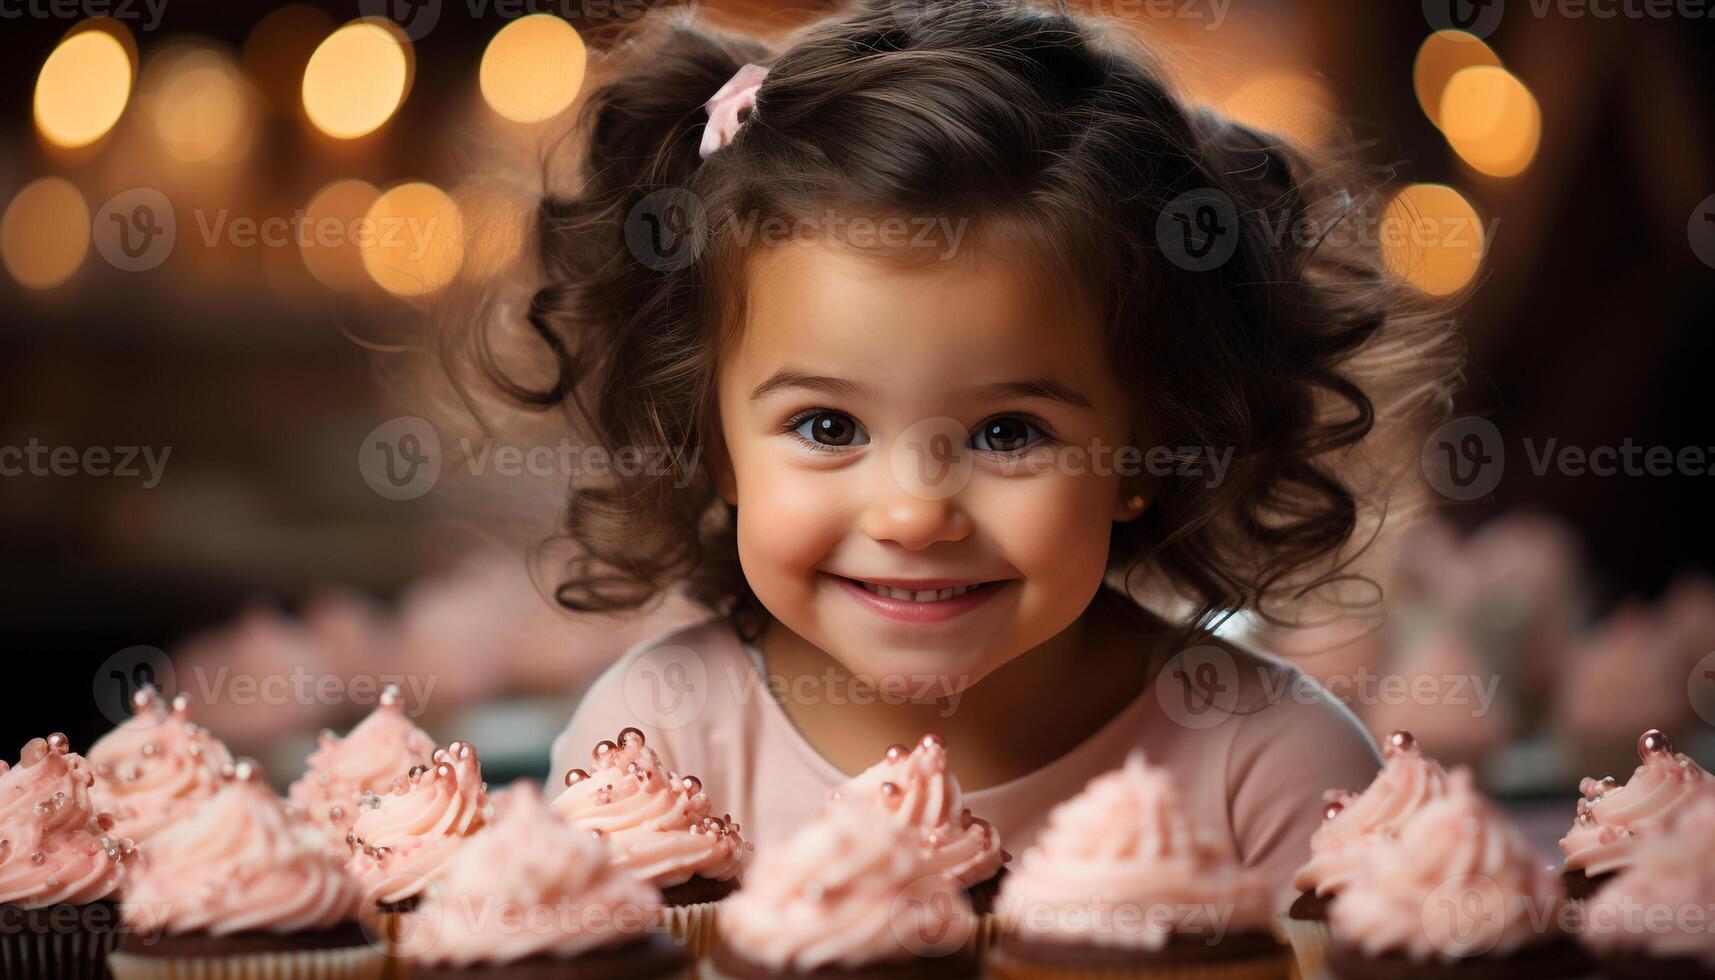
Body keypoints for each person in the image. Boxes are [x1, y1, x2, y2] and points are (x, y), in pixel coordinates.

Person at [457, 0, 1462, 903]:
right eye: (827, 426)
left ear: (1148, 447)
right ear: (712, 442)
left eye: (1006, 431)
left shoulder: (1269, 767)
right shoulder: (656, 743)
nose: (913, 510)